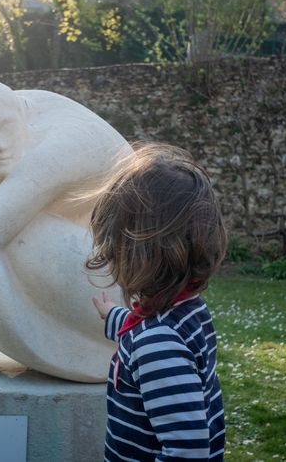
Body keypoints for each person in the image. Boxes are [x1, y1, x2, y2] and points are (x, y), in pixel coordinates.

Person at [0, 80, 131, 382]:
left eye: (7, 127)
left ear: (24, 115)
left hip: (128, 289)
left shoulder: (65, 145)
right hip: (86, 266)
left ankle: (80, 354)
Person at [88, 143, 227, 461]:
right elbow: (145, 332)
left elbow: (187, 453)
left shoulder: (155, 343)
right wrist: (113, 316)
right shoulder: (184, 311)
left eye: (112, 247)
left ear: (135, 252)